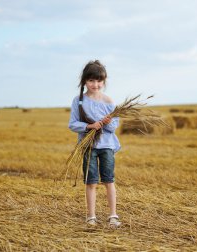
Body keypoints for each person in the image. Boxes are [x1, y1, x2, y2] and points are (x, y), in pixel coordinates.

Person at [68, 60, 121, 228]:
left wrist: (106, 122)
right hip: (88, 146)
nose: (95, 84)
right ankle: (91, 216)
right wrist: (90, 126)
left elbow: (114, 127)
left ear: (104, 81)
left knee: (108, 180)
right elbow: (72, 124)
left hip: (106, 147)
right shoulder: (79, 101)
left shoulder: (109, 102)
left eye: (99, 81)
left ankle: (113, 215)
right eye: (91, 80)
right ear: (84, 81)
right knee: (90, 182)